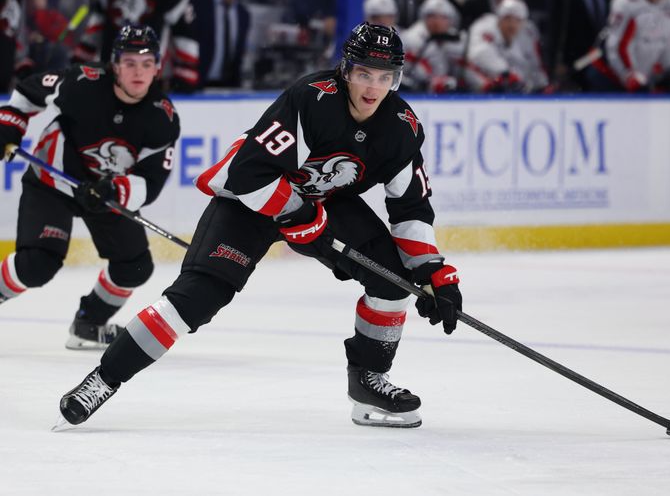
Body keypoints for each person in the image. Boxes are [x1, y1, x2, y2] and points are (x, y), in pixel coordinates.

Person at [57, 22, 463, 430]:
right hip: (247, 200)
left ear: (396, 79)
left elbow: (411, 206)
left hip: (323, 202)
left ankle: (368, 381)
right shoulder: (312, 100)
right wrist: (301, 216)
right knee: (197, 297)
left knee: (393, 279)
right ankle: (104, 378)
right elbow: (249, 174)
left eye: (384, 77)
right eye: (363, 74)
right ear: (345, 70)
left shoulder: (401, 127)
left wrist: (433, 273)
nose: (372, 88)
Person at [0, 25, 180, 350]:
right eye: (129, 62)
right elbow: (27, 93)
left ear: (157, 66)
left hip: (102, 195)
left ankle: (88, 324)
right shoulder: (81, 82)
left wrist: (113, 191)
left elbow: (151, 181)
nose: (138, 71)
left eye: (146, 63)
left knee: (135, 267)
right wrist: (9, 126)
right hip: (52, 182)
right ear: (114, 64)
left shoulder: (162, 116)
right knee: (36, 265)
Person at [73, 0, 200, 92]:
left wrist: (185, 79)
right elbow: (96, 24)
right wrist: (77, 65)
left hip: (147, 83)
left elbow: (185, 33)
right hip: (110, 78)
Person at [585, 0, 670, 92]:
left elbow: (669, 41)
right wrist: (627, 74)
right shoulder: (627, 2)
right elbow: (615, 45)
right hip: (609, 74)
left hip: (641, 76)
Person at [465, 0, 549, 92]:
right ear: (499, 19)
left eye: (517, 20)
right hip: (479, 86)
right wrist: (506, 73)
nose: (512, 24)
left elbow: (534, 63)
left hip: (514, 88)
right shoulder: (485, 26)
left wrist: (542, 84)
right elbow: (480, 53)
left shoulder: (527, 33)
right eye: (507, 18)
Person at [192, 0, 251, 88]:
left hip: (228, 86)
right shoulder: (196, 2)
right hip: (196, 84)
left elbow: (238, 55)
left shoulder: (243, 14)